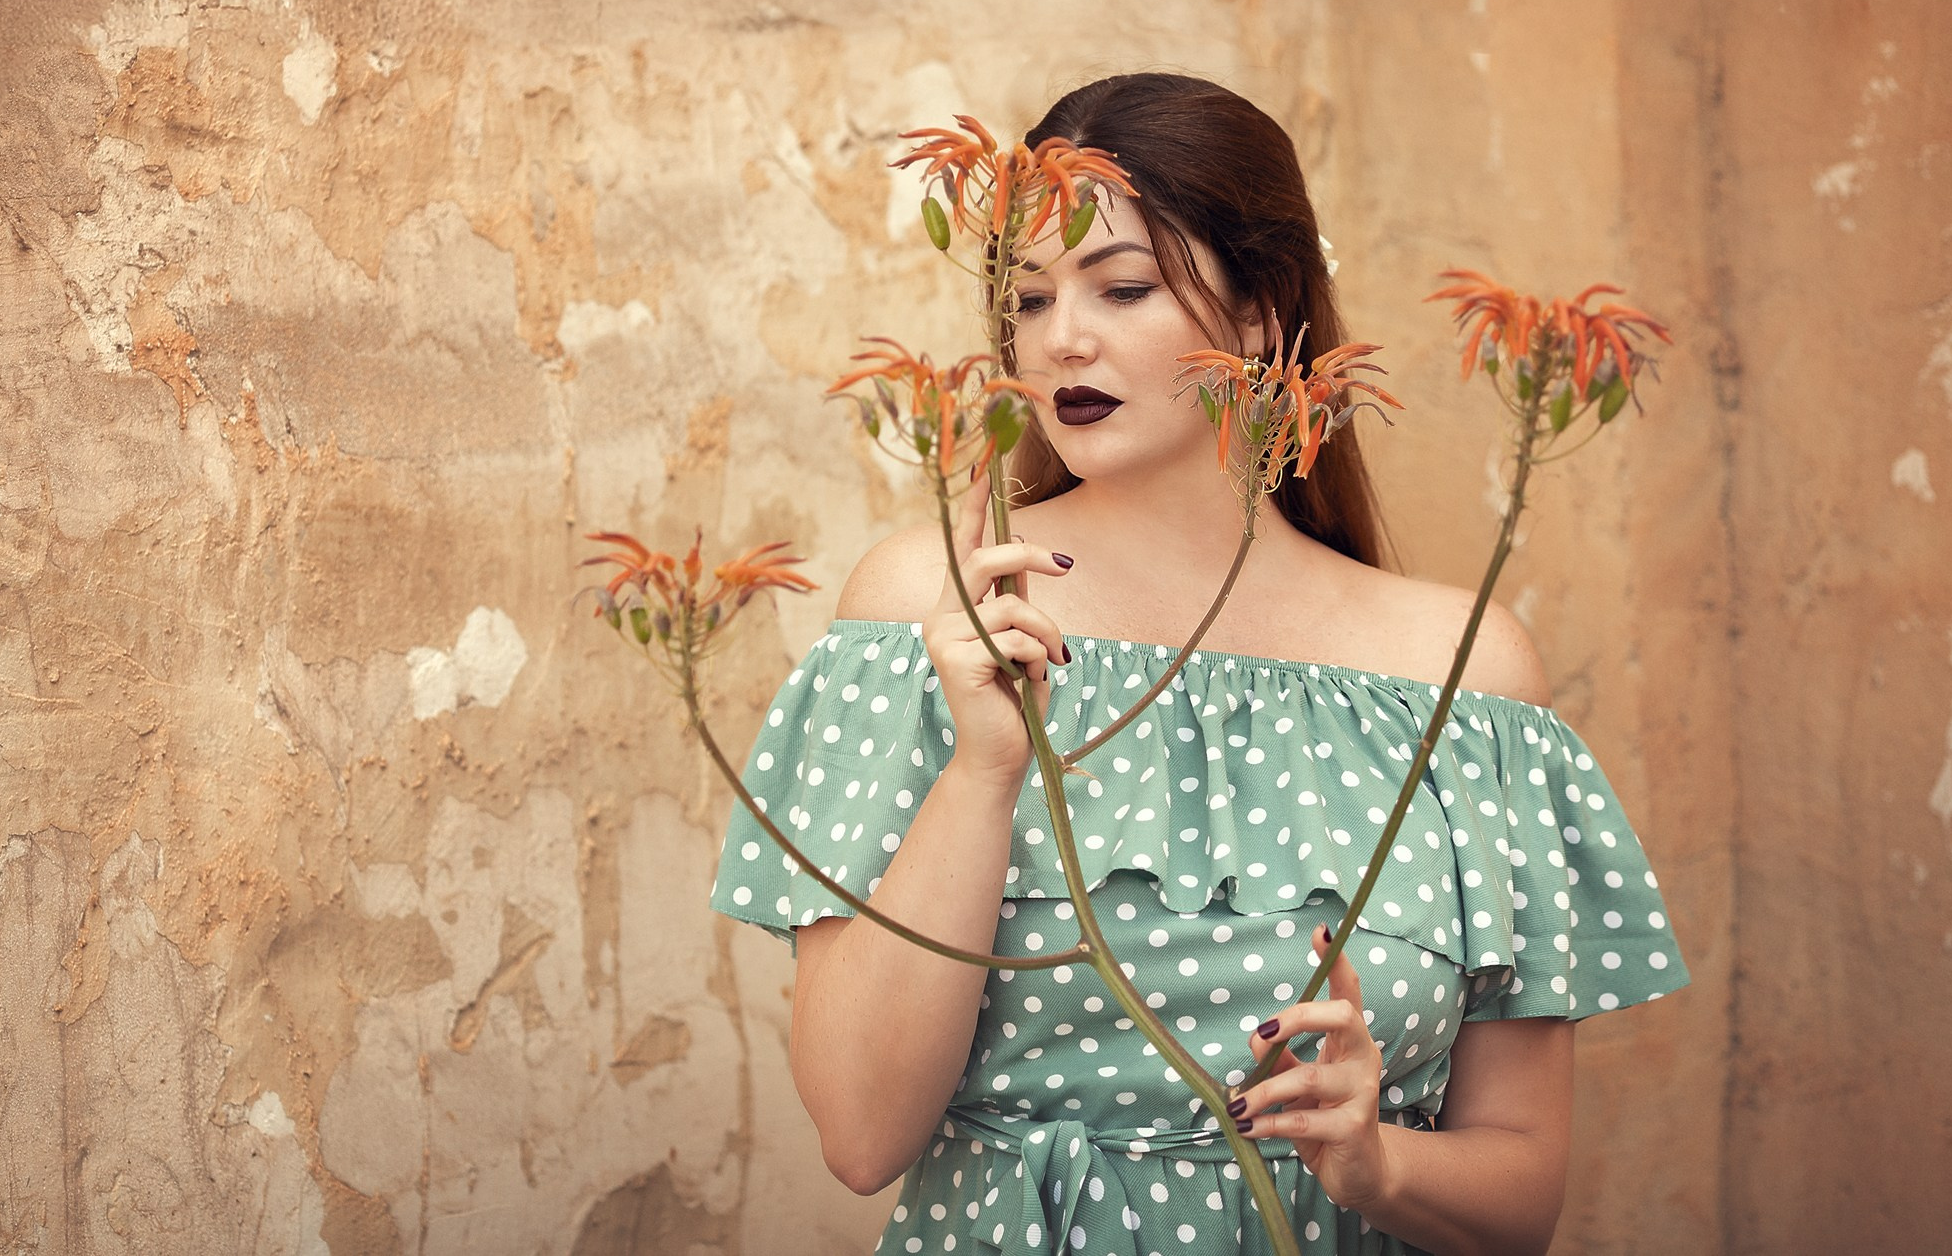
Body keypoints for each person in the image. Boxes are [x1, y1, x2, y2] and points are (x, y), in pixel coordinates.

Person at [710, 74, 1689, 1255]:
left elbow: (1520, 1196)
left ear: (1262, 310)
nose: (1062, 339)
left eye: (1122, 287)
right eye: (1028, 298)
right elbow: (860, 1136)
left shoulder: (1462, 674)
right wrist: (982, 769)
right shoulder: (935, 609)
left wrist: (1376, 1163)